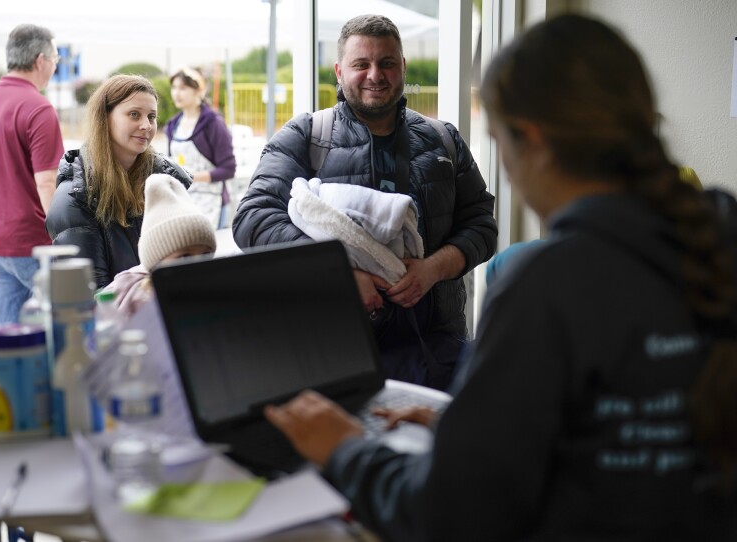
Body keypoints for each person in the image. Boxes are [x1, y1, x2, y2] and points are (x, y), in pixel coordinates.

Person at [263, 14, 737, 541]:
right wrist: (467, 431)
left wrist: (343, 446)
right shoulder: (719, 231)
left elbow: (444, 514)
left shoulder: (544, 288)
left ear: (529, 139)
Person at [232, 14, 497, 391]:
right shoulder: (305, 136)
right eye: (361, 64)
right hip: (332, 354)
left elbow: (482, 224)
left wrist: (434, 269)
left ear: (402, 67)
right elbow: (252, 220)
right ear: (340, 71)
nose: (376, 74)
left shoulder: (443, 140)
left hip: (437, 352)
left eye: (387, 63)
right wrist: (338, 274)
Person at [46, 74, 191, 289]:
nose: (146, 125)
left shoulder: (165, 183)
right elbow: (92, 295)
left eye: (151, 116)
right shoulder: (74, 198)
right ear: (105, 118)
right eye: (134, 115)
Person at [0, 24, 64, 325]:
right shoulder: (39, 108)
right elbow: (47, 181)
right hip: (31, 242)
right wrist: (64, 239)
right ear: (40, 60)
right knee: (67, 323)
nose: (55, 66)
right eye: (55, 58)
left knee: (8, 328)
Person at [101, 173, 217, 318]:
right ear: (155, 263)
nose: (198, 265)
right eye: (184, 256)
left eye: (206, 255)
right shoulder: (135, 298)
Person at [164, 67, 237, 230]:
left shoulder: (213, 124)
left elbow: (228, 169)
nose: (176, 93)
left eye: (182, 88)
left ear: (198, 90)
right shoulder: (172, 125)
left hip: (212, 202)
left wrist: (191, 177)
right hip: (182, 201)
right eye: (174, 87)